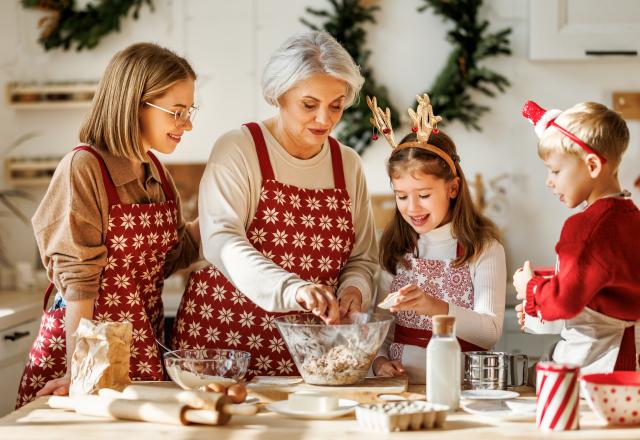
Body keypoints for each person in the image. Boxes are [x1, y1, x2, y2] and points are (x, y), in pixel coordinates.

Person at [171, 30, 378, 378]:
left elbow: (361, 257)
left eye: (336, 105)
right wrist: (294, 289)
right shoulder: (239, 148)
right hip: (223, 346)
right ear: (278, 95)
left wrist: (355, 288)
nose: (324, 119)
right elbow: (221, 240)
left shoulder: (348, 164)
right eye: (309, 105)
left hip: (311, 357)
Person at [16, 43, 201, 408]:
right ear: (135, 105)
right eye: (177, 112)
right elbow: (78, 283)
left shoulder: (157, 172)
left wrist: (222, 217)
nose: (188, 124)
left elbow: (170, 257)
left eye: (190, 110)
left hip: (138, 344)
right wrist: (78, 369)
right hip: (85, 346)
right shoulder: (84, 168)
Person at [370, 94, 506, 384]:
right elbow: (380, 326)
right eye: (402, 196)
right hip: (402, 387)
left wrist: (436, 308)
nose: (412, 207)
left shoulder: (483, 249)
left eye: (424, 195)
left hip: (464, 386)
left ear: (453, 188)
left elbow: (490, 330)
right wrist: (379, 361)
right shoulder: (395, 249)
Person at [514, 100, 640, 373]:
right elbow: (602, 285)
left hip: (596, 365)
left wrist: (531, 288)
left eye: (556, 170)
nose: (549, 181)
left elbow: (565, 300)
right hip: (631, 362)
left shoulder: (585, 226)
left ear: (592, 165)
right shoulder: (632, 218)